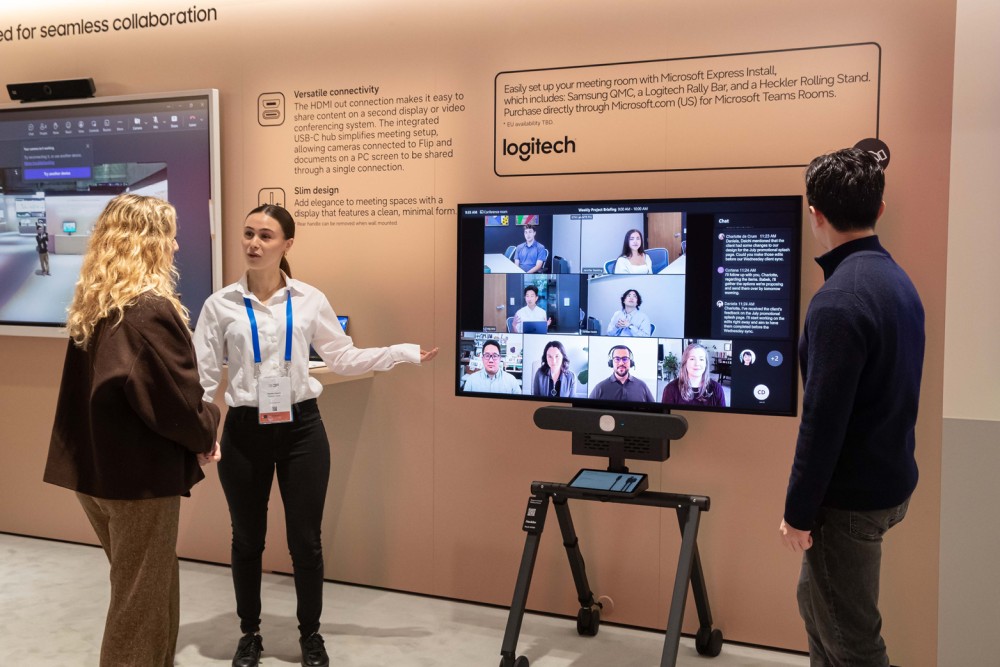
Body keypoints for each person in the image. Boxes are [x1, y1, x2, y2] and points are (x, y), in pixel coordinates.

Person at [193, 204, 438, 667]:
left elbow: (342, 357)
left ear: (287, 244)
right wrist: (200, 432)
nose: (253, 244)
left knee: (306, 541)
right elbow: (203, 378)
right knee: (247, 539)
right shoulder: (219, 304)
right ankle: (250, 633)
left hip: (302, 429)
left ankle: (310, 635)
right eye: (248, 233)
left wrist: (401, 352)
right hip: (245, 430)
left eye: (266, 236)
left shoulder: (308, 299)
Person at [43, 194, 222, 667]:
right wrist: (207, 431)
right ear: (148, 242)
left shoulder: (96, 305)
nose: (176, 246)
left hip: (97, 475)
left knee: (152, 587)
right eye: (170, 236)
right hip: (136, 482)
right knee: (138, 603)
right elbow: (175, 402)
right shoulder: (148, 310)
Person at [779, 148, 925, 666]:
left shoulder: (840, 299)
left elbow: (822, 422)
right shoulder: (895, 281)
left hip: (849, 501)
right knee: (818, 608)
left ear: (814, 213)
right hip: (887, 481)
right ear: (879, 209)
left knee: (851, 641)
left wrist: (797, 513)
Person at [661, 343, 726, 407]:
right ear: (685, 362)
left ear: (706, 364)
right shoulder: (670, 389)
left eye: (701, 359)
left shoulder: (717, 389)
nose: (697, 363)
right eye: (692, 359)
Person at [589, 344, 654, 401]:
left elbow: (654, 409)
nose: (621, 363)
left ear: (631, 362)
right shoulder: (600, 388)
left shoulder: (642, 386)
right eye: (617, 359)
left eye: (625, 359)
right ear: (611, 363)